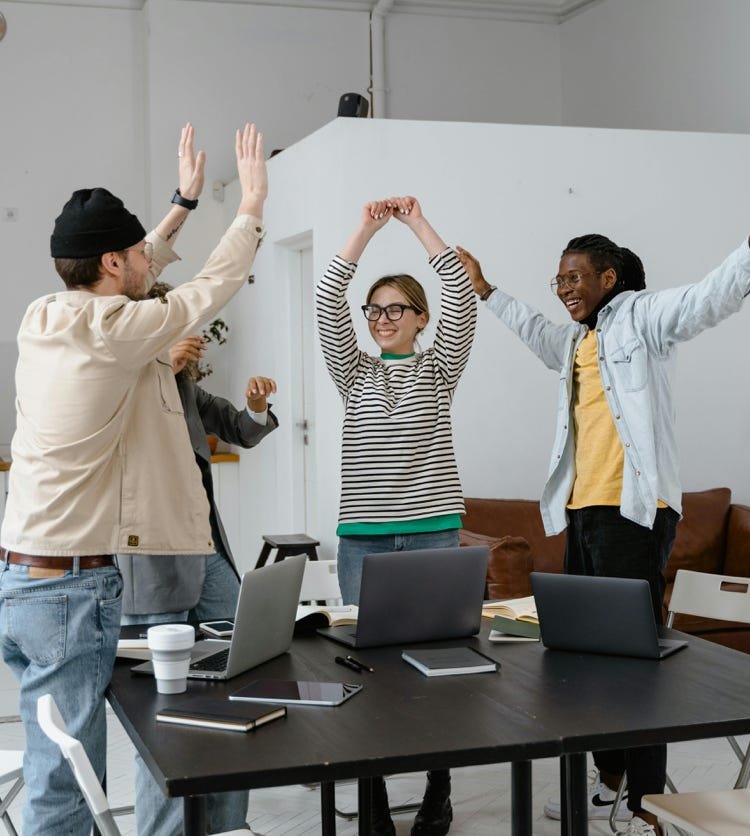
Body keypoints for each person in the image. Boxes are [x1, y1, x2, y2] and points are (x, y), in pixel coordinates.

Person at [455, 163, 750, 836]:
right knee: (587, 656)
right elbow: (531, 329)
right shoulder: (577, 340)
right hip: (584, 513)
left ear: (608, 278)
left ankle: (644, 802)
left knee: (636, 660)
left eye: (573, 277)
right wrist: (487, 289)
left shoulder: (643, 318)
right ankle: (609, 785)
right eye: (558, 279)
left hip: (635, 513)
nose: (563, 288)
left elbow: (709, 298)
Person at [0, 121, 267, 835]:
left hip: (23, 580)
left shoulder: (45, 315)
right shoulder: (118, 330)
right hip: (71, 587)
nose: (147, 262)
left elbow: (140, 261)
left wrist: (182, 201)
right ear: (112, 265)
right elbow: (211, 286)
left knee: (64, 765)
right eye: (134, 256)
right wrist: (250, 207)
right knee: (65, 788)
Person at [316, 196, 477, 836]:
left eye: (396, 309)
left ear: (421, 319)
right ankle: (374, 799)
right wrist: (364, 230)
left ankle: (439, 788)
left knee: (437, 670)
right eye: (374, 310)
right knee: (368, 673)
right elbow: (331, 299)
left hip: (435, 535)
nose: (381, 319)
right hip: (365, 545)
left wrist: (415, 224)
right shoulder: (353, 374)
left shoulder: (440, 368)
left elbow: (461, 294)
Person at [117, 310, 278, 835]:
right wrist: (156, 363)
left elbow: (239, 428)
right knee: (161, 718)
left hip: (205, 550)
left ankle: (228, 828)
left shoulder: (187, 388)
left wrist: (255, 408)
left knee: (241, 682)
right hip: (154, 564)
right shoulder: (117, 381)